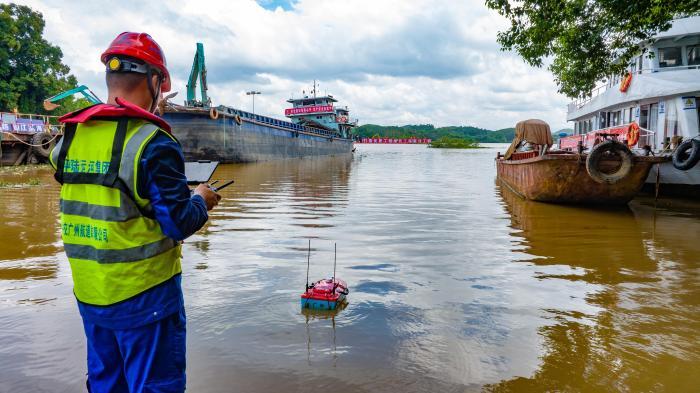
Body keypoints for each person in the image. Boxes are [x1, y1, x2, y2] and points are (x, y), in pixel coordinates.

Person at [49, 32, 220, 392]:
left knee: (106, 383)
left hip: (92, 293)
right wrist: (201, 199)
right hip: (147, 298)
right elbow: (178, 223)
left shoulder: (69, 139)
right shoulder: (152, 143)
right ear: (156, 80)